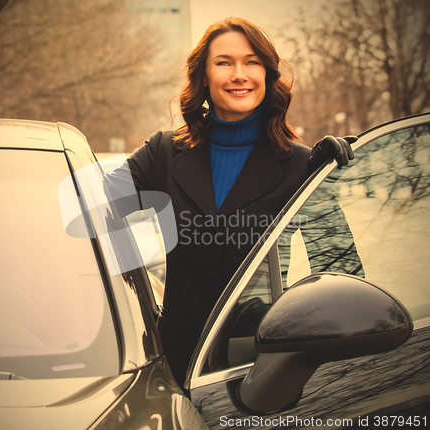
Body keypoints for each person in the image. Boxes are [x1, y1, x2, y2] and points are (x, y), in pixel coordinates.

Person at [108, 17, 356, 388]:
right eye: (224, 62)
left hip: (263, 371)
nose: (239, 74)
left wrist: (328, 179)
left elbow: (344, 274)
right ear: (204, 76)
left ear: (267, 76)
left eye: (252, 62)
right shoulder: (163, 152)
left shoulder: (304, 164)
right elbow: (94, 209)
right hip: (175, 370)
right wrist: (137, 289)